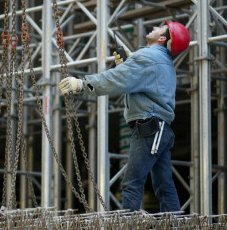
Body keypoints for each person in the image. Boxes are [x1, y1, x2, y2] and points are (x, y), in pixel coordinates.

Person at [59, 20, 190, 212]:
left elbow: (115, 79)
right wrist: (129, 64)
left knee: (131, 184)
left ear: (163, 38)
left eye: (159, 28)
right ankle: (177, 225)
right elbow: (137, 82)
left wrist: (83, 84)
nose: (153, 27)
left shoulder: (148, 57)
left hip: (149, 128)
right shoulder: (160, 60)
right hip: (159, 129)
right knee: (164, 186)